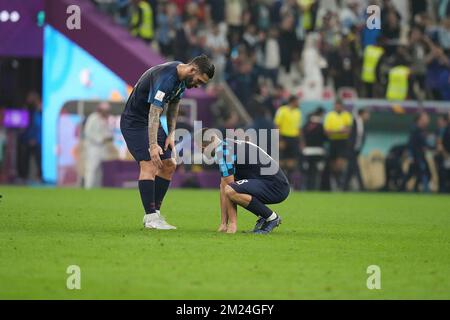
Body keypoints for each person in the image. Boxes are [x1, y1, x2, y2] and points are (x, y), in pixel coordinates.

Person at [120, 55, 215, 230]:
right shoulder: (167, 79)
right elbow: (154, 113)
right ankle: (150, 218)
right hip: (134, 123)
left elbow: (174, 105)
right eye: (199, 81)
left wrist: (171, 133)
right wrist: (153, 144)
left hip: (151, 122)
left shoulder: (182, 79)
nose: (197, 86)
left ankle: (155, 214)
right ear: (193, 69)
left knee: (170, 164)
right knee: (149, 164)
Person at [198, 128, 290, 234]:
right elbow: (223, 186)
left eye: (201, 149)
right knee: (226, 187)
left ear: (204, 146)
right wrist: (223, 224)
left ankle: (271, 218)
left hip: (276, 186)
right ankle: (264, 217)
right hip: (275, 183)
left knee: (231, 190)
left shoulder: (223, 151)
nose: (202, 153)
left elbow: (229, 188)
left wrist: (232, 224)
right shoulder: (227, 145)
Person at [83, 102, 114, 189]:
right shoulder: (93, 118)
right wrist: (101, 139)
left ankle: (97, 189)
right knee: (91, 168)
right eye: (105, 111)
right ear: (101, 110)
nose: (107, 112)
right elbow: (88, 132)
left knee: (99, 170)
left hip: (102, 148)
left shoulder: (104, 120)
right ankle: (88, 188)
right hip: (93, 148)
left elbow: (106, 133)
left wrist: (109, 137)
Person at [323, 99, 353, 190]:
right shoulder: (329, 116)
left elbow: (348, 130)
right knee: (332, 165)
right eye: (336, 105)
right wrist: (338, 131)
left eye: (339, 105)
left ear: (342, 106)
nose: (337, 107)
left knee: (340, 163)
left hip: (343, 142)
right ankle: (335, 181)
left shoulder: (346, 115)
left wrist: (336, 132)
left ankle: (340, 182)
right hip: (333, 142)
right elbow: (327, 132)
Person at [274, 95, 302, 183]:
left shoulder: (298, 112)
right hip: (284, 138)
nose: (298, 103)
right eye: (297, 101)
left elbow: (299, 128)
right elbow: (277, 126)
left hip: (294, 139)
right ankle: (281, 181)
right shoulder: (282, 110)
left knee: (292, 162)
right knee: (282, 161)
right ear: (292, 101)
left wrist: (301, 141)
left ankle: (289, 182)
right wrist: (279, 140)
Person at [401, 112, 432, 192]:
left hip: (420, 156)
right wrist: (410, 156)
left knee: (415, 173)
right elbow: (411, 143)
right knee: (424, 173)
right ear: (420, 119)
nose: (428, 120)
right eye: (426, 118)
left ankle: (409, 187)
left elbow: (424, 144)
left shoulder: (423, 130)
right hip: (416, 156)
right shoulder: (415, 129)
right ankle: (404, 188)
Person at [343, 108, 371, 191]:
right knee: (356, 168)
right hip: (351, 149)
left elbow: (360, 137)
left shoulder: (362, 123)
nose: (368, 116)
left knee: (350, 169)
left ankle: (344, 187)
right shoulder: (354, 121)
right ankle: (362, 187)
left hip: (356, 150)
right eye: (367, 113)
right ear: (362, 114)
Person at [302, 107, 326, 190]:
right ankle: (316, 188)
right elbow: (325, 138)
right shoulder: (321, 126)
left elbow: (303, 137)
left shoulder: (306, 126)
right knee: (317, 172)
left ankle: (307, 188)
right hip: (318, 151)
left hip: (307, 151)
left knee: (307, 171)